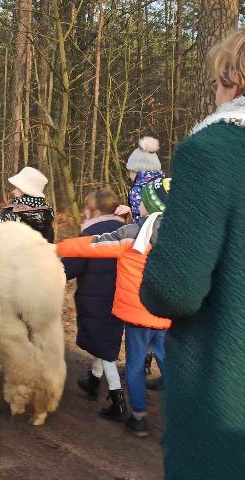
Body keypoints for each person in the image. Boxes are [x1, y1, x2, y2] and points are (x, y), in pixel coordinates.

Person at [141, 26, 245, 480]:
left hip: (235, 396)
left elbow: (173, 291)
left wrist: (160, 245)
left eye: (216, 84)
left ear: (235, 81)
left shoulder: (213, 151)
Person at [57, 178, 172, 437]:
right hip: (164, 314)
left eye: (142, 200)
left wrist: (58, 248)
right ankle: (178, 419)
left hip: (133, 313)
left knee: (132, 365)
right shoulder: (177, 239)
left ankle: (135, 415)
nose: (138, 202)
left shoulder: (131, 234)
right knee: (167, 364)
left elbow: (88, 249)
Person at [62, 188, 127, 421]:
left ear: (95, 211)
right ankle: (93, 380)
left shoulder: (91, 235)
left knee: (106, 349)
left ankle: (117, 400)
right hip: (122, 297)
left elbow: (70, 266)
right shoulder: (127, 232)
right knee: (106, 338)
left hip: (96, 298)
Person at [0, 166, 55, 242]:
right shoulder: (45, 213)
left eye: (17, 188)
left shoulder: (18, 211)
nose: (13, 191)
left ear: (27, 191)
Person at [126, 136, 164, 225]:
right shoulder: (163, 183)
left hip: (147, 230)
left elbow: (138, 220)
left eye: (129, 171)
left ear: (135, 170)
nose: (129, 176)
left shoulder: (137, 190)